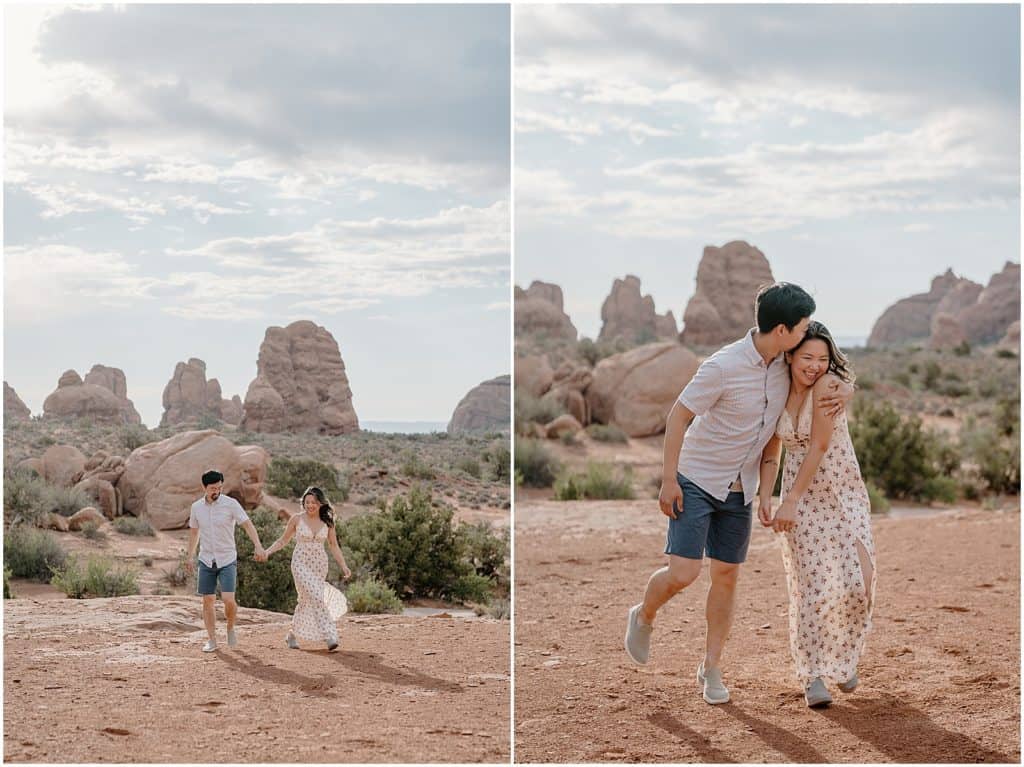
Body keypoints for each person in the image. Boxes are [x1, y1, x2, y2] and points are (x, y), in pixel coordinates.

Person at [624, 282, 853, 705]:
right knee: (684, 574)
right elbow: (678, 416)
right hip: (695, 479)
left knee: (726, 576)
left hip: (740, 491)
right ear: (783, 330)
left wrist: (766, 490)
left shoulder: (787, 365)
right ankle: (644, 613)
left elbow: (797, 409)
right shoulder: (723, 366)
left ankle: (710, 668)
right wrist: (669, 479)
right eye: (802, 327)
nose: (807, 333)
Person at [757, 321, 876, 708]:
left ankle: (841, 658)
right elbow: (773, 450)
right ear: (789, 356)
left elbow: (820, 445)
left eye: (823, 359)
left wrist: (788, 499)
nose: (815, 365)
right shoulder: (775, 392)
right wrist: (767, 495)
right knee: (811, 588)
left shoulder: (826, 387)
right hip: (800, 493)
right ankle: (813, 676)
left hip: (841, 491)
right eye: (807, 357)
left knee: (860, 580)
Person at [185, 469, 267, 653]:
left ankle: (230, 627)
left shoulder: (231, 504)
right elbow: (194, 532)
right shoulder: (196, 507)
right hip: (206, 559)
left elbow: (247, 524)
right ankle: (212, 639)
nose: (217, 491)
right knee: (208, 600)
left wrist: (258, 546)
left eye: (220, 487)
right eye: (213, 488)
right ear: (204, 487)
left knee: (228, 599)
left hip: (227, 558)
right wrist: (190, 556)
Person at [264, 486, 352, 651]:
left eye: (314, 502)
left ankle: (292, 635)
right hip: (300, 563)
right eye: (307, 502)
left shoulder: (328, 521)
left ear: (320, 503)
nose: (310, 505)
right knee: (317, 597)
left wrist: (344, 566)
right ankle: (330, 635)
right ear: (303, 503)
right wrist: (268, 552)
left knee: (305, 600)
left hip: (319, 565)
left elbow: (333, 545)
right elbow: (283, 541)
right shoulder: (296, 519)